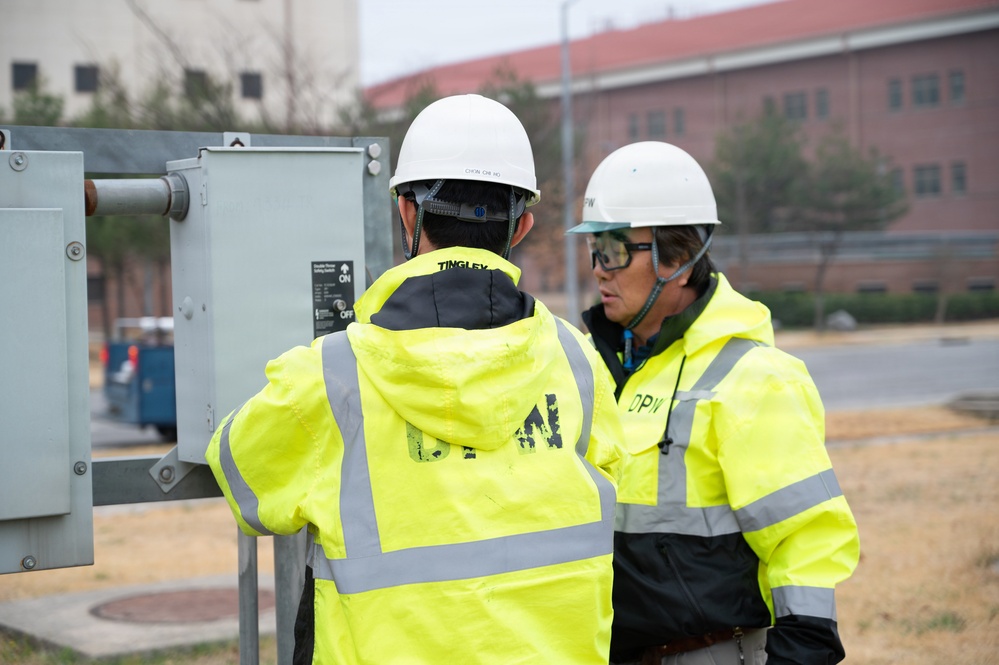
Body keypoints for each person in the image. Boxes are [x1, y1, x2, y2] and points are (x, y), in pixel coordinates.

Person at [206, 93, 624, 664]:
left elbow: (240, 476)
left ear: (407, 213)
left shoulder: (329, 378)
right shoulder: (580, 366)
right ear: (522, 225)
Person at [567, 141, 860, 665]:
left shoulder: (755, 379)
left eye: (611, 250)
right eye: (594, 252)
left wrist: (802, 650)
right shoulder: (591, 369)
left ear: (677, 259)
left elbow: (806, 539)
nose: (598, 270)